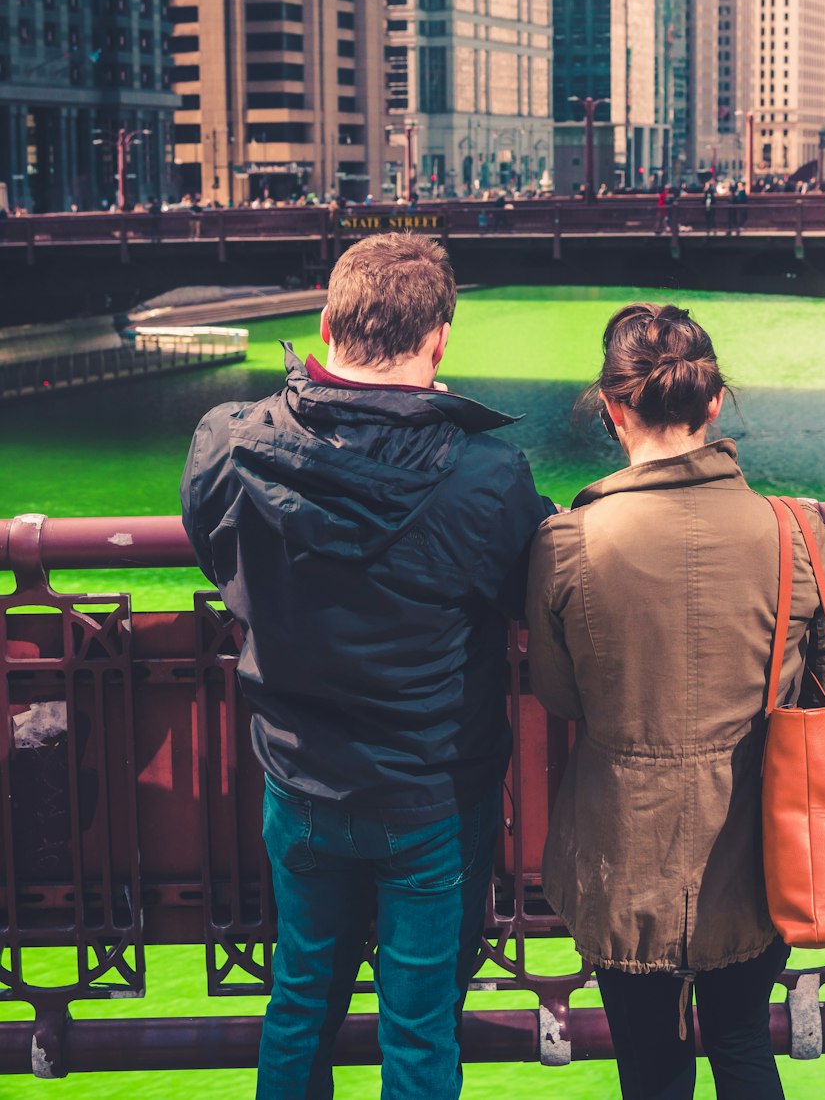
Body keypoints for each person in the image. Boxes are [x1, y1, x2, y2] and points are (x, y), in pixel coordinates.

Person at [181, 233, 553, 1100]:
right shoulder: (486, 474)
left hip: (299, 779)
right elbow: (522, 594)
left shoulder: (228, 444)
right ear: (439, 342)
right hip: (426, 795)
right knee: (418, 1030)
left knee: (299, 1003)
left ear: (325, 324)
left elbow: (214, 547)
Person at [527, 302, 825, 1100]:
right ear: (713, 402)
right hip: (760, 849)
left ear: (612, 406)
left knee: (650, 1068)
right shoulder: (796, 531)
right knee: (742, 1044)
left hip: (622, 853)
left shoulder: (569, 541)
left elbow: (562, 699)